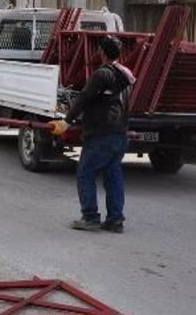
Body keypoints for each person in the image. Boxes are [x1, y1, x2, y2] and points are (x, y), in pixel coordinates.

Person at [50, 36, 136, 233]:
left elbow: (84, 99)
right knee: (113, 176)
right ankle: (115, 220)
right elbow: (124, 106)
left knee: (85, 173)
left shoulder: (102, 75)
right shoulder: (125, 75)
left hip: (101, 135)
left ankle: (90, 217)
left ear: (102, 53)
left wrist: (66, 121)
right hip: (119, 135)